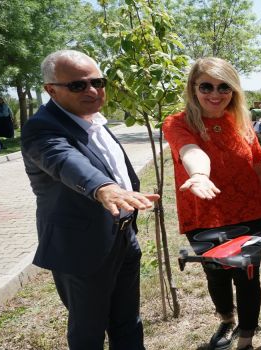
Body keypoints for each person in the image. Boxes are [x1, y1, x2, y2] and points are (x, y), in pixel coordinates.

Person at [21, 49, 159, 349]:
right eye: (78, 85)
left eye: (98, 82)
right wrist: (103, 187)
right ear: (50, 90)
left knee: (128, 323)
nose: (93, 90)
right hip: (81, 249)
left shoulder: (93, 117)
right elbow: (65, 160)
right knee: (89, 333)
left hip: (122, 237)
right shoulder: (42, 128)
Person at [163, 57, 261, 350]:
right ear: (193, 88)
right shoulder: (178, 123)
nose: (215, 94)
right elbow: (191, 151)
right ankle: (227, 318)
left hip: (252, 212)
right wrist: (200, 174)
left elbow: (258, 167)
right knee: (216, 274)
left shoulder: (241, 123)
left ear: (234, 91)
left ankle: (245, 336)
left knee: (248, 276)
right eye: (206, 86)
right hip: (206, 214)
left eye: (224, 87)